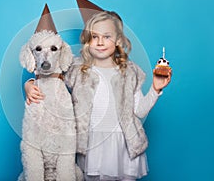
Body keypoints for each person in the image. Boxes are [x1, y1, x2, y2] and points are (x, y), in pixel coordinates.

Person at [25, 11, 171, 181]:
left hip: (122, 145)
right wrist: (29, 84)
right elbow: (51, 80)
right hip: (91, 144)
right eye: (94, 37)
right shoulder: (77, 70)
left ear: (117, 40)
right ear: (87, 41)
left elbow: (139, 110)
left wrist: (155, 89)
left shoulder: (129, 72)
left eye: (107, 36)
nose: (100, 42)